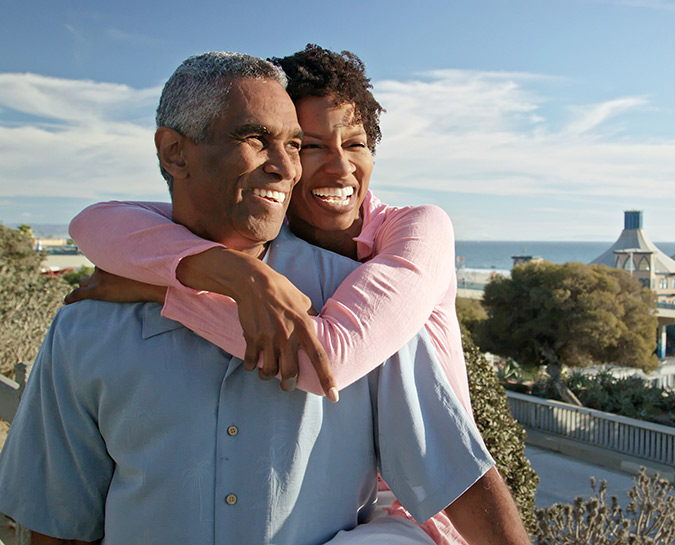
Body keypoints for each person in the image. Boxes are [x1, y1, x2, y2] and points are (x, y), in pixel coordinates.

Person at [0, 52, 531, 545]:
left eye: (293, 143)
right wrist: (223, 274)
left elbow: (342, 367)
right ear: (173, 152)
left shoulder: (369, 294)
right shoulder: (88, 323)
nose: (288, 165)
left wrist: (168, 290)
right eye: (258, 138)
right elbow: (60, 517)